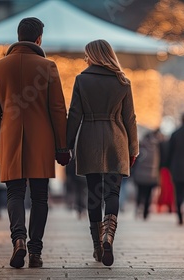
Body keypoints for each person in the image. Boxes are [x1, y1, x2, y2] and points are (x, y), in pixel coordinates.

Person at [0, 17, 70, 269]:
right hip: (42, 141)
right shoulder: (48, 67)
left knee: (14, 193)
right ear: (38, 39)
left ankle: (18, 239)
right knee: (40, 197)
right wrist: (62, 146)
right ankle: (35, 251)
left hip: (9, 138)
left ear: (18, 35)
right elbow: (57, 109)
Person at [66, 39, 138, 267]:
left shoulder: (81, 80)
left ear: (94, 56)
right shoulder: (122, 81)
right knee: (112, 193)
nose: (85, 59)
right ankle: (109, 236)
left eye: (87, 55)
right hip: (117, 140)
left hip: (89, 140)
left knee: (94, 195)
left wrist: (66, 145)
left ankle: (97, 246)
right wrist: (133, 149)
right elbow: (130, 119)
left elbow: (74, 115)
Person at [132, 129, 162, 220]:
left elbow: (136, 160)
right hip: (152, 175)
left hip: (140, 174)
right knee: (148, 194)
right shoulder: (156, 146)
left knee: (140, 193)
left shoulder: (141, 146)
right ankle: (145, 213)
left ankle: (138, 207)